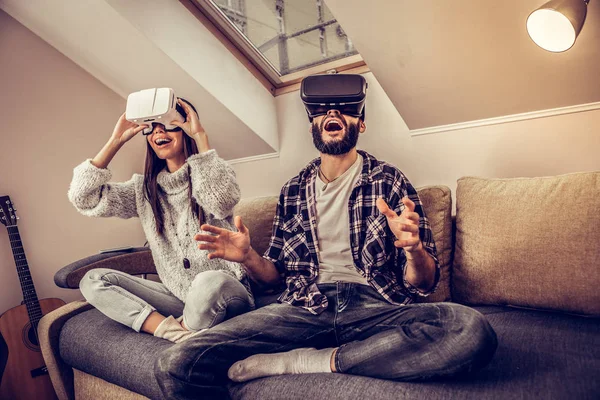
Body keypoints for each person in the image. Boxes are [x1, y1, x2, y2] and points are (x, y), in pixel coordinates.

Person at [154, 78, 498, 399]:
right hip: (303, 306)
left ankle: (308, 361)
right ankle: (322, 354)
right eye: (321, 110)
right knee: (178, 362)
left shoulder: (389, 181)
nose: (332, 113)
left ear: (360, 124)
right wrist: (248, 257)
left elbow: (424, 283)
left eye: (345, 108)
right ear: (312, 126)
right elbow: (276, 279)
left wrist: (414, 250)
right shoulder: (293, 190)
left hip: (374, 306)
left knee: (469, 329)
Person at [68, 98, 254, 343]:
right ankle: (178, 334)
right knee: (93, 280)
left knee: (208, 280)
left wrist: (200, 137)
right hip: (178, 297)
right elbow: (83, 198)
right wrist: (115, 141)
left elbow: (220, 201)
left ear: (186, 128)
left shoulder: (211, 170)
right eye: (151, 126)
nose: (158, 131)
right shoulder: (142, 190)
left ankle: (189, 329)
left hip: (224, 290)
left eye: (167, 123)